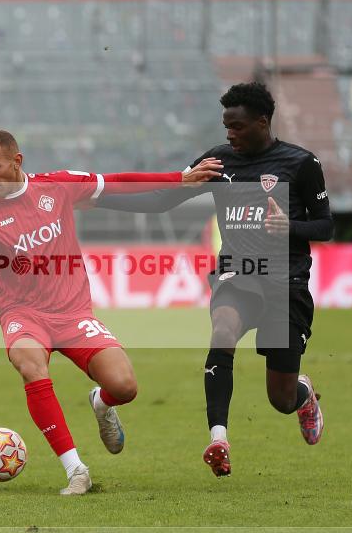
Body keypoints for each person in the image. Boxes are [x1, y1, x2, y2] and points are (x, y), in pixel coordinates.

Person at [0, 129, 221, 495]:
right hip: (24, 314)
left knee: (125, 387)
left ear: (17, 162)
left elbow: (117, 183)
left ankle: (101, 403)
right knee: (29, 364)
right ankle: (76, 470)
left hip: (72, 313)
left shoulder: (59, 187)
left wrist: (178, 178)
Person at [96, 82, 333, 477]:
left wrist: (290, 226)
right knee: (222, 331)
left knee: (281, 397)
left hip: (286, 282)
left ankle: (304, 397)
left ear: (262, 122)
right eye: (226, 126)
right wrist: (98, 196)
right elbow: (161, 200)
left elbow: (325, 227)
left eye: (237, 126)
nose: (229, 134)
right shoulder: (218, 162)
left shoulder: (301, 163)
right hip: (239, 272)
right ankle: (218, 439)